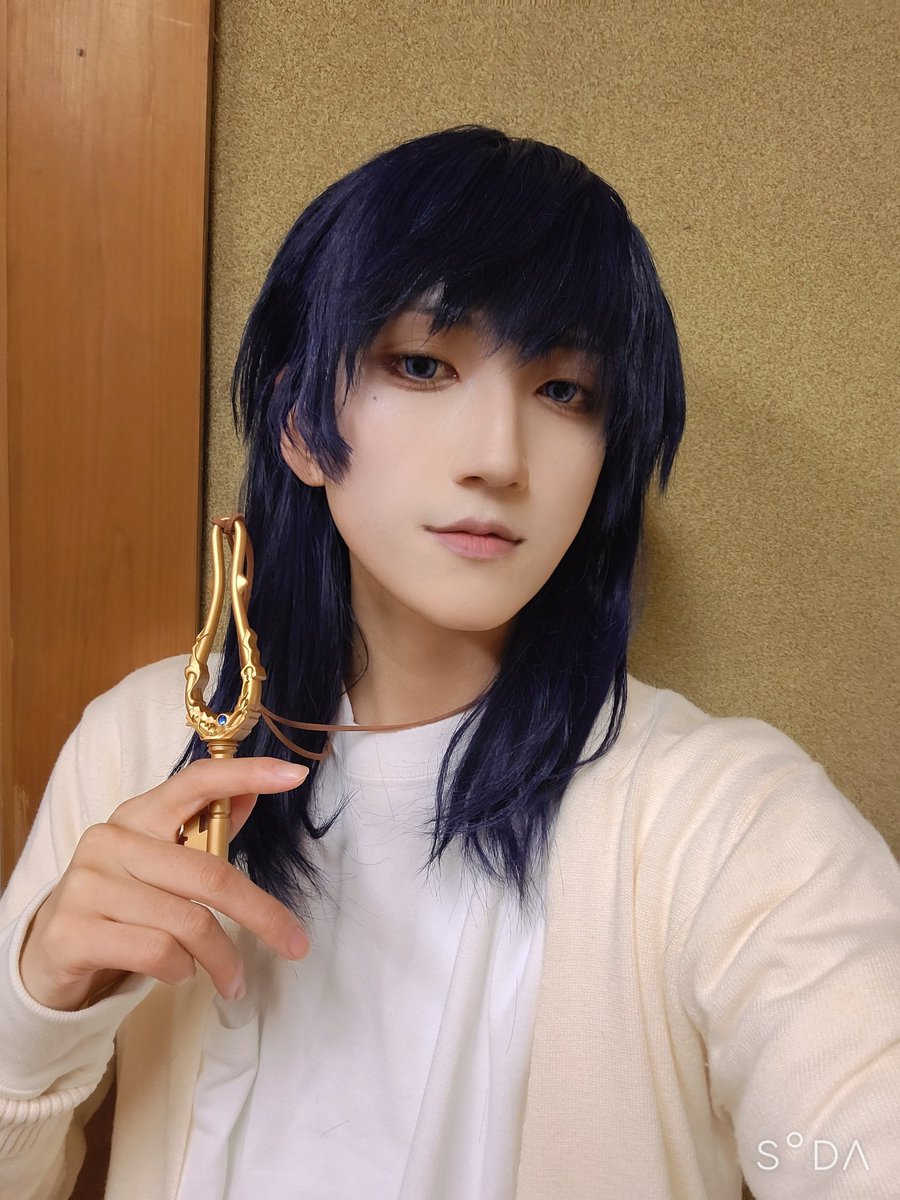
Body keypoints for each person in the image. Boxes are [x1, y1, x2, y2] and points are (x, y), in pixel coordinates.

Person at [0, 125, 897, 1200]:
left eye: (566, 391)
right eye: (423, 365)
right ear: (299, 423)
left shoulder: (727, 820)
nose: (499, 458)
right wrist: (35, 1010)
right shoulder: (147, 740)